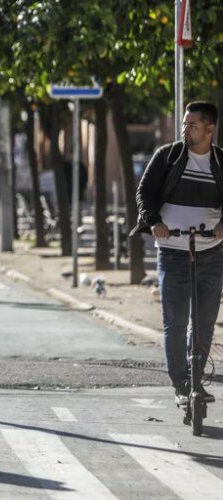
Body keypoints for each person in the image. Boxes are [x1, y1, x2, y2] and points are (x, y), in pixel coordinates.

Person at [132, 101, 223, 406]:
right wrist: (154, 222)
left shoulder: (220, 163)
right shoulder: (168, 157)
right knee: (176, 321)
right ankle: (181, 383)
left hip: (210, 252)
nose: (185, 130)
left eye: (192, 125)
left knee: (205, 321)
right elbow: (144, 193)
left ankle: (197, 378)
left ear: (210, 129)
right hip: (172, 251)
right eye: (184, 124)